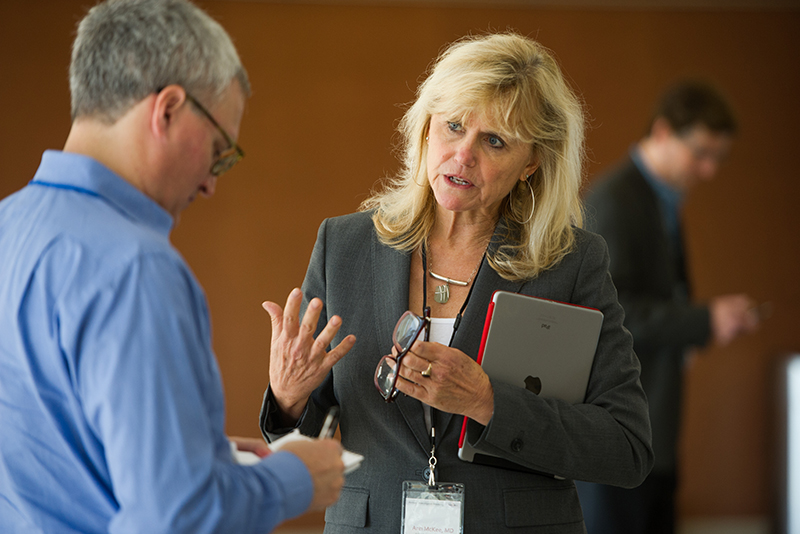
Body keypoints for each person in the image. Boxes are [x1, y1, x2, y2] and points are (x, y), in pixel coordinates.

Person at [260, 32, 653, 533]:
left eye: (494, 141)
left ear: (531, 162)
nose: (463, 155)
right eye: (452, 127)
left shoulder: (571, 263)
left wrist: (487, 401)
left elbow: (627, 447)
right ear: (425, 129)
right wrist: (288, 397)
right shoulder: (345, 245)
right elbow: (310, 435)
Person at [0, 0, 348, 532]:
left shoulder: (9, 225)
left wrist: (185, 451)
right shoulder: (136, 267)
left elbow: (45, 436)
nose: (210, 183)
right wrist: (296, 480)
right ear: (166, 109)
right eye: (218, 151)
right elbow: (176, 515)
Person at [576, 81, 761, 534]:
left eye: (718, 157)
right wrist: (703, 320)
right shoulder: (616, 200)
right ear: (661, 131)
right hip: (618, 428)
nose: (708, 169)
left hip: (653, 426)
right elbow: (606, 316)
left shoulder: (658, 199)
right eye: (700, 152)